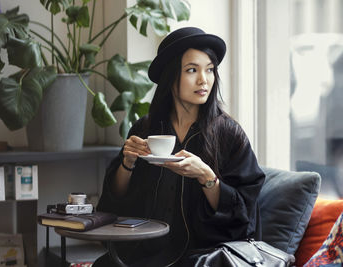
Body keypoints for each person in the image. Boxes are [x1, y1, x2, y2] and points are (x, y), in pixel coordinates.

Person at [94, 27, 265, 267]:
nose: (203, 80)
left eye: (210, 70)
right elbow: (116, 200)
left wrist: (207, 177)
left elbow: (244, 216)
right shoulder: (146, 128)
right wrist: (127, 162)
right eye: (192, 70)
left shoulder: (228, 134)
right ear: (170, 76)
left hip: (201, 253)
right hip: (144, 247)